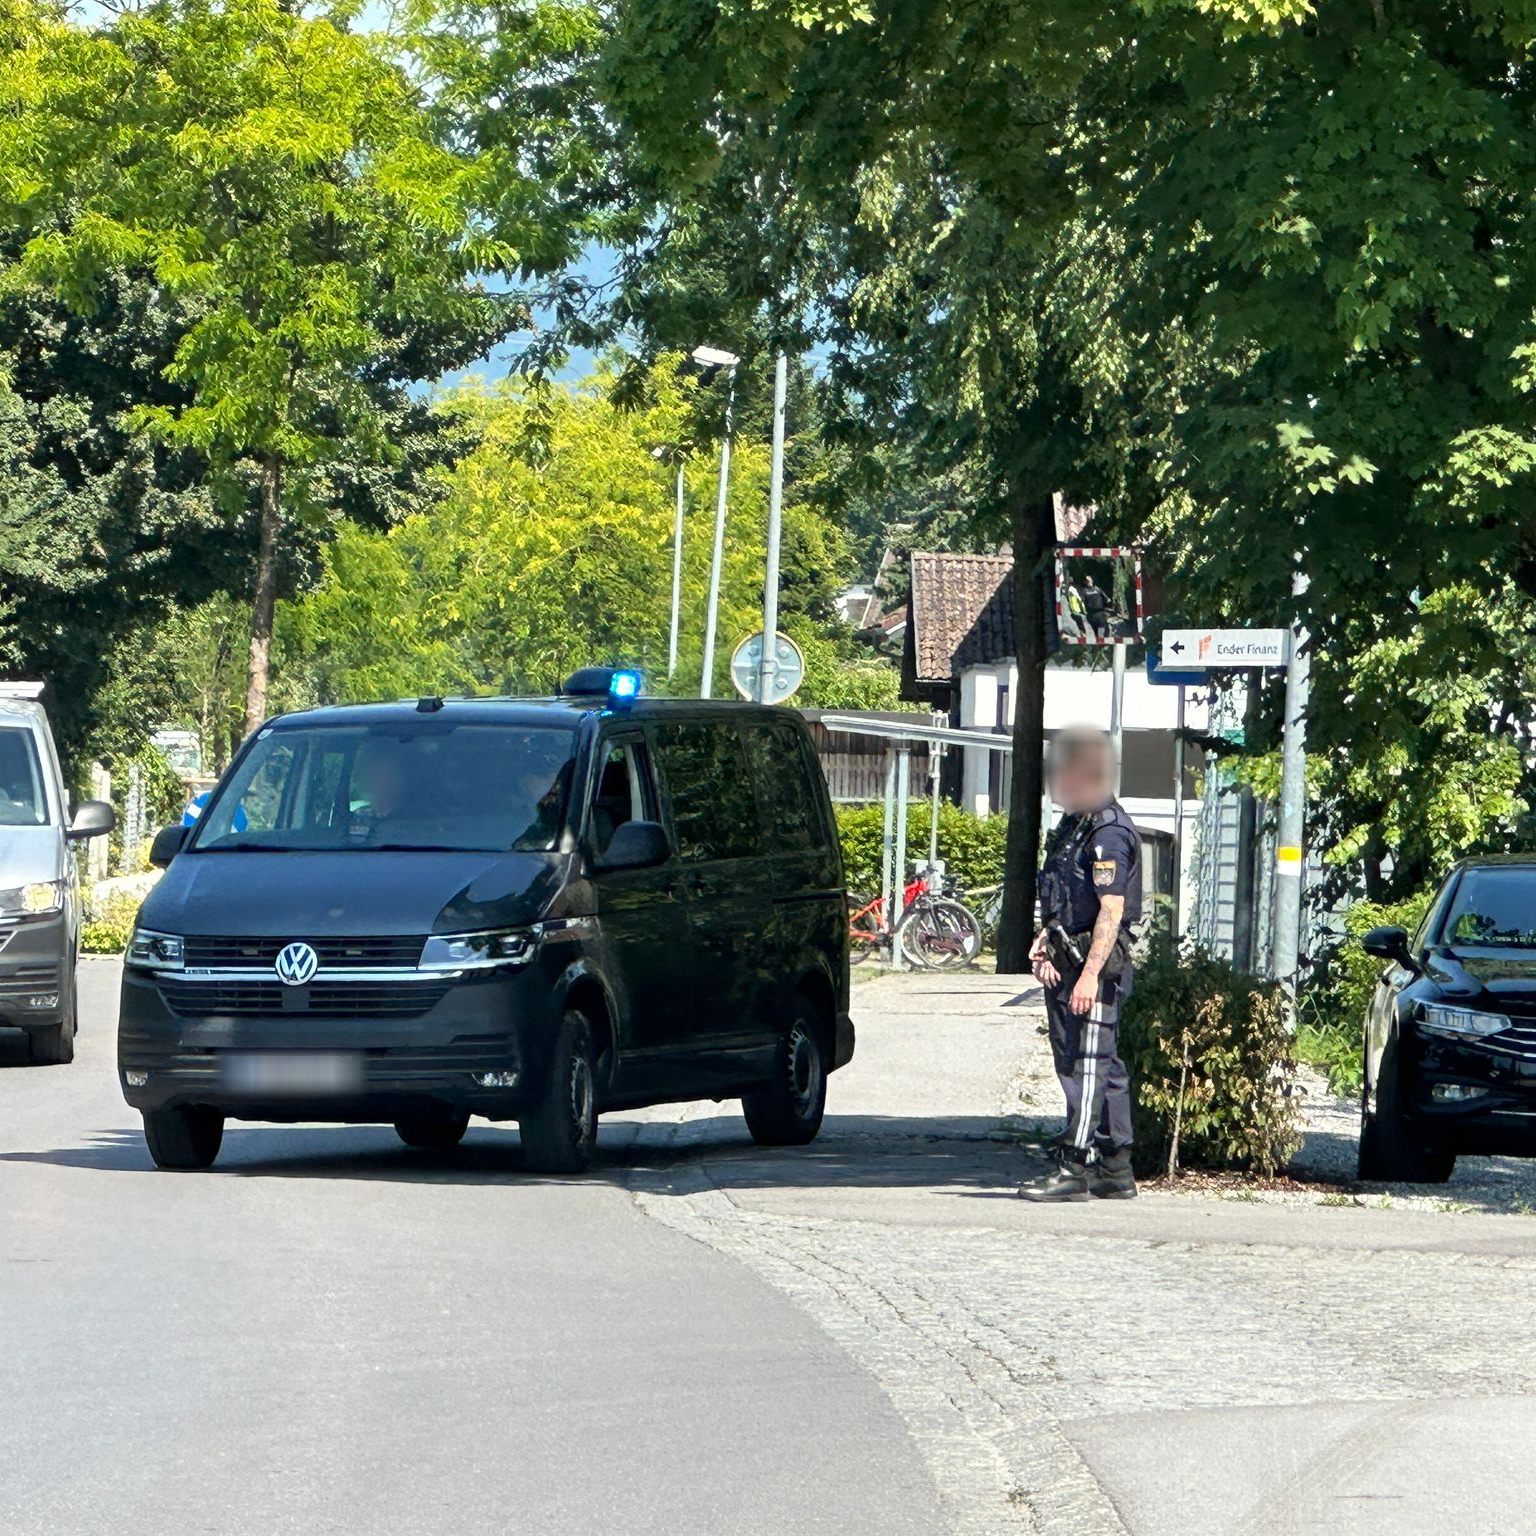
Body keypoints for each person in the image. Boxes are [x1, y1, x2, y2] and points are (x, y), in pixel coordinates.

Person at [1017, 726, 1142, 1202]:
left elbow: (1110, 911)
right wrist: (1044, 940)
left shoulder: (1108, 831)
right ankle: (1115, 1168)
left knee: (1089, 1064)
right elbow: (1063, 895)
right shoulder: (1076, 825)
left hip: (1095, 967)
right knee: (1096, 1066)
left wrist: (1088, 975)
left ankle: (1075, 1164)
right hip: (1068, 958)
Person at [1079, 575, 1110, 641]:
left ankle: (1098, 644)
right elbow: (1107, 600)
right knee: (1102, 631)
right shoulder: (1098, 589)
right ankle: (1102, 643)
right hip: (1100, 614)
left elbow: (1082, 602)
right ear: (1092, 581)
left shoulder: (1083, 591)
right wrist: (1107, 607)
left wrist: (1083, 611)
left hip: (1091, 615)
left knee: (1096, 632)